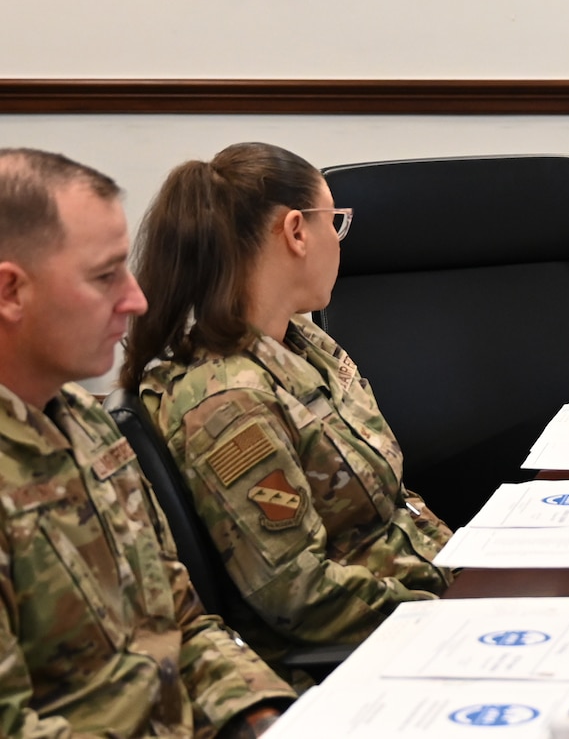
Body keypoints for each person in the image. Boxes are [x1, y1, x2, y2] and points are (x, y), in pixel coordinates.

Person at [120, 143, 453, 666]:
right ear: (297, 231)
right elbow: (298, 596)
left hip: (422, 596)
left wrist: (470, 567)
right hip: (366, 650)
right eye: (334, 222)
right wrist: (451, 609)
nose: (340, 242)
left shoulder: (302, 342)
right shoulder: (229, 401)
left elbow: (391, 503)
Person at [0, 147, 294, 737]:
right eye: (105, 275)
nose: (136, 300)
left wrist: (262, 717)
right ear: (11, 291)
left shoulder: (83, 420)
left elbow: (181, 618)